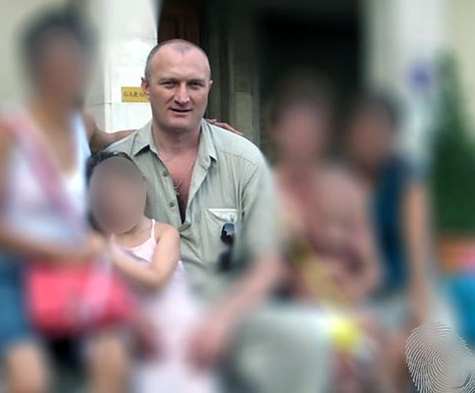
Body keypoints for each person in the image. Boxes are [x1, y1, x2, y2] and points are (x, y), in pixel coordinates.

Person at [107, 39, 334, 392]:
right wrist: (129, 315)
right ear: (146, 87)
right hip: (143, 316)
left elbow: (269, 261)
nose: (183, 96)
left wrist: (223, 321)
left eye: (194, 84)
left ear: (209, 88)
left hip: (229, 310)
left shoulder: (244, 160)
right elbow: (89, 256)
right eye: (170, 83)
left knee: (307, 336)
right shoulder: (113, 165)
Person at [0, 6, 131, 393]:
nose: (65, 74)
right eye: (55, 64)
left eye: (74, 63)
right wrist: (56, 252)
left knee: (114, 360)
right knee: (29, 379)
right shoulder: (6, 130)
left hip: (72, 271)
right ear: (35, 68)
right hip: (8, 274)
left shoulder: (80, 124)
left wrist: (193, 127)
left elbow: (112, 139)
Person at [266, 75, 381, 391]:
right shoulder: (265, 192)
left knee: (373, 347)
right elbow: (259, 272)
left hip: (348, 309)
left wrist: (350, 293)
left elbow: (372, 269)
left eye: (313, 130)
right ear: (277, 130)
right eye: (297, 128)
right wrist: (300, 279)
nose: (305, 138)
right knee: (338, 357)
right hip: (291, 313)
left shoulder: (347, 189)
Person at [87, 150, 217, 393]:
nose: (118, 198)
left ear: (142, 185)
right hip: (136, 342)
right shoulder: (101, 243)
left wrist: (107, 254)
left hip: (180, 334)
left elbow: (157, 280)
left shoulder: (163, 233)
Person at [344, 91, 438, 391]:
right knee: (371, 354)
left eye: (379, 130)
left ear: (392, 134)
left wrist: (418, 312)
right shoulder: (340, 177)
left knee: (420, 352)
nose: (370, 138)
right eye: (364, 129)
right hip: (357, 297)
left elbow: (418, 253)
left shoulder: (406, 177)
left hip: (403, 292)